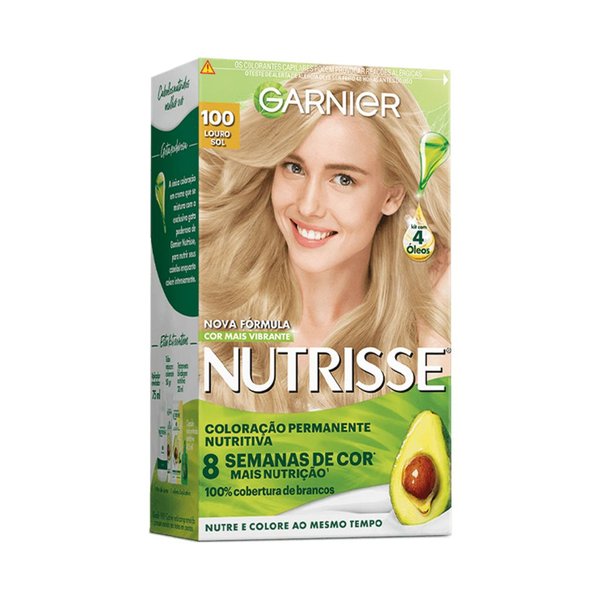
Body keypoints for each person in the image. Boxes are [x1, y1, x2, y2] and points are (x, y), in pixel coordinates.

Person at [199, 65, 450, 412]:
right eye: (294, 168)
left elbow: (435, 440)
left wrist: (434, 329)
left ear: (392, 196)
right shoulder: (212, 319)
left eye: (343, 179)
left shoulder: (419, 343)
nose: (307, 205)